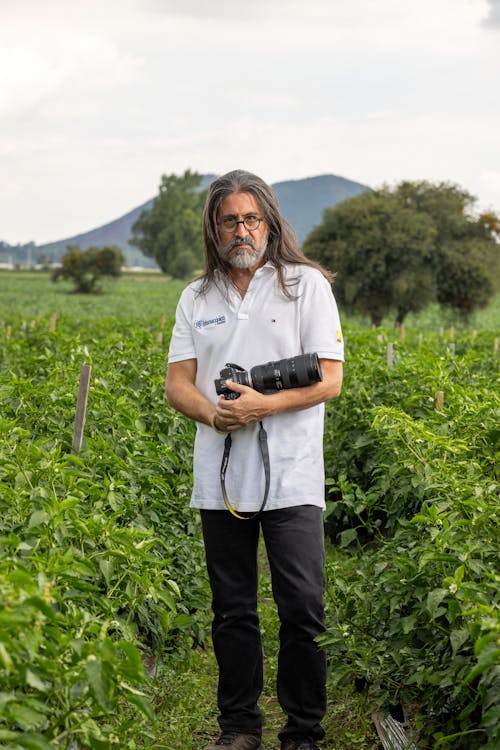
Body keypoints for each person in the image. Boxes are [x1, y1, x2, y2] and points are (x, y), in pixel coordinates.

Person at [166, 170, 344, 750]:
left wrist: (264, 405)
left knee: (302, 607)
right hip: (220, 479)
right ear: (213, 228)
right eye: (229, 220)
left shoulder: (304, 285)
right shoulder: (196, 297)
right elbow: (178, 385)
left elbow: (330, 380)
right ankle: (239, 726)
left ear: (269, 222)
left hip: (294, 474)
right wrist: (217, 416)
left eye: (251, 218)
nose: (241, 230)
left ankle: (303, 731)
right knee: (232, 610)